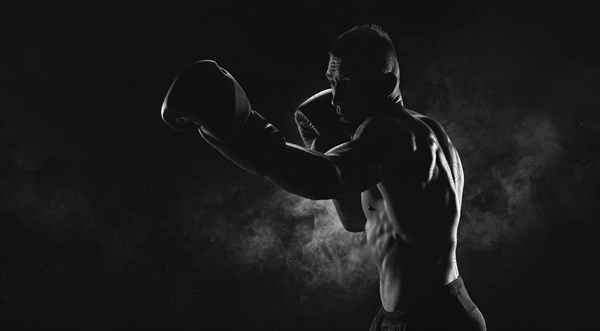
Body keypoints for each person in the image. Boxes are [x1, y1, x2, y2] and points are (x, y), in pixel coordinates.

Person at [161, 24, 486, 331]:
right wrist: (326, 142)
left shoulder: (394, 133)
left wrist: (242, 130)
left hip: (433, 319)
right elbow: (357, 220)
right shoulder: (411, 133)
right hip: (414, 313)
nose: (334, 98)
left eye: (347, 83)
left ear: (385, 85)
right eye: (332, 83)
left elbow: (325, 178)